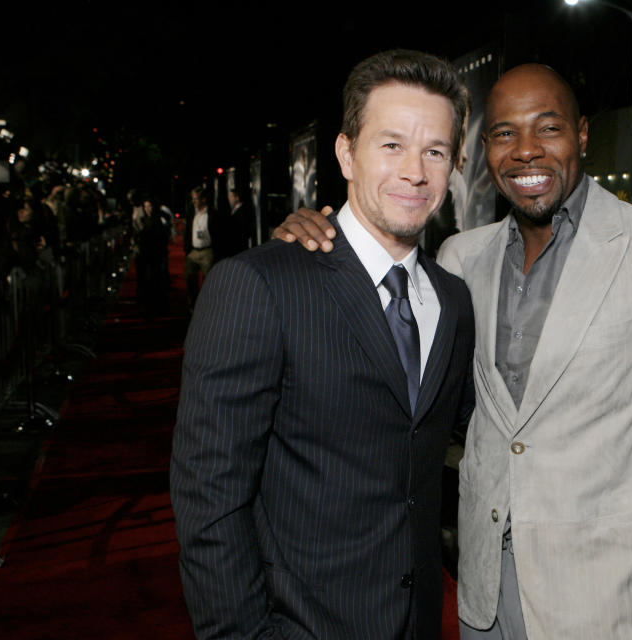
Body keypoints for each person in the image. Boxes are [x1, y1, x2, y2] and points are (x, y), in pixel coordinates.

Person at [275, 63, 632, 640]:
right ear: (483, 151)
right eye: (503, 134)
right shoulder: (459, 260)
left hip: (608, 607)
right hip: (482, 598)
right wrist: (316, 237)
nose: (525, 151)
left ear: (583, 135)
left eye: (548, 129)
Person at [170, 49, 474, 639]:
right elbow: (209, 497)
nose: (415, 170)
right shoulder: (259, 284)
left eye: (434, 151)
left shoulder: (454, 301)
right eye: (391, 145)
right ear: (345, 153)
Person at [182, 185, 218, 309]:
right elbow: (187, 231)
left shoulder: (212, 214)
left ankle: (211, 307)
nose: (194, 201)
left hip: (207, 252)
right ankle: (194, 306)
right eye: (193, 199)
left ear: (203, 199)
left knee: (210, 281)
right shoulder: (191, 212)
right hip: (193, 252)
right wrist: (187, 250)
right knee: (189, 278)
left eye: (196, 198)